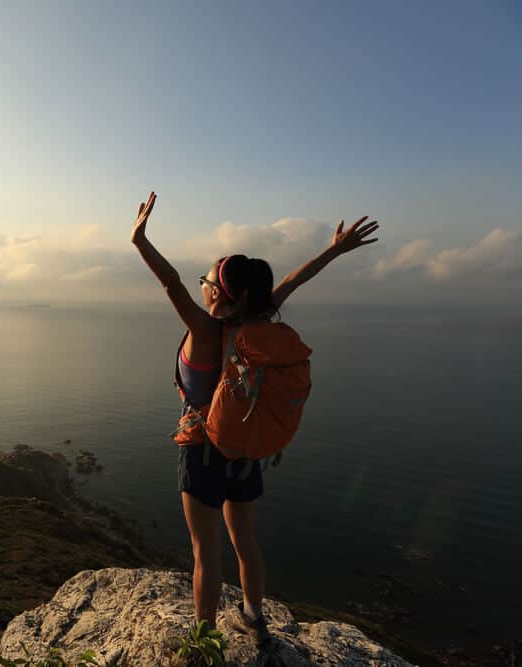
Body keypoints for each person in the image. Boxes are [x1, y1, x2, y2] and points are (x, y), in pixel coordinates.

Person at [130, 191, 379, 643]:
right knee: (246, 543)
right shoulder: (259, 324)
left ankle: (204, 641)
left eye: (205, 280)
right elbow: (291, 281)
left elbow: (170, 283)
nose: (200, 285)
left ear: (219, 294)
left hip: (203, 450)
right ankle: (254, 616)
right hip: (245, 452)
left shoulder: (204, 329)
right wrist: (334, 249)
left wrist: (139, 239)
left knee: (205, 552)